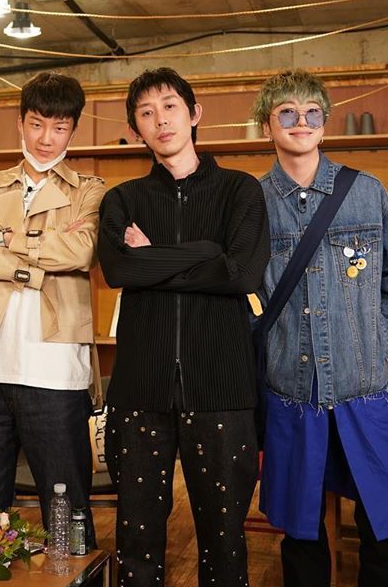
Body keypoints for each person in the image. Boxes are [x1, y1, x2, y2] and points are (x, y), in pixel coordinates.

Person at [97, 67, 269, 587]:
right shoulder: (123, 199)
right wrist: (206, 253)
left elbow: (242, 274)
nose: (161, 120)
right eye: (146, 113)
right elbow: (119, 270)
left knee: (224, 537)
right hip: (139, 388)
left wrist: (154, 259)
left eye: (170, 106)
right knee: (137, 540)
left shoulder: (240, 190)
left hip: (221, 387)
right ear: (136, 130)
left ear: (194, 114)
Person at [253, 70, 388, 587]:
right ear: (266, 125)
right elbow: (240, 293)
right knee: (301, 532)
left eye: (312, 112)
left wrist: (379, 340)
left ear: (324, 123)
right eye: (287, 112)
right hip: (290, 391)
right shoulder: (251, 202)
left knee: (384, 527)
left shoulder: (366, 192)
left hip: (362, 388)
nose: (300, 122)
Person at [0, 72, 104, 547]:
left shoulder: (89, 189)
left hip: (57, 366)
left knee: (66, 508)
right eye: (36, 124)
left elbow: (81, 251)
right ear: (20, 123)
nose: (46, 138)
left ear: (72, 129)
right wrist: (31, 269)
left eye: (59, 127)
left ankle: (75, 576)